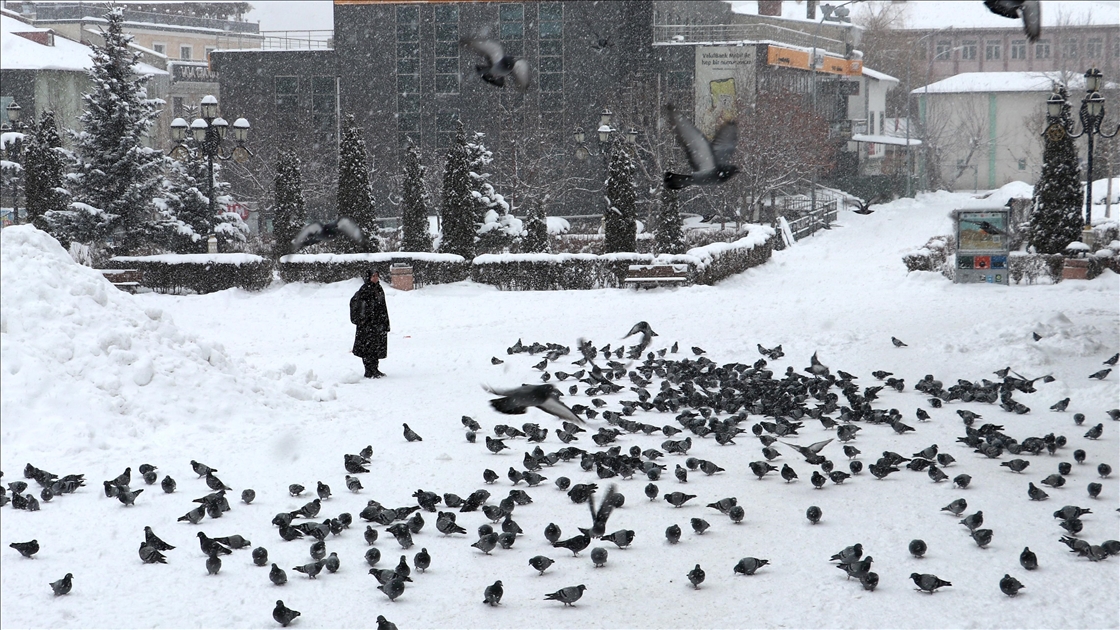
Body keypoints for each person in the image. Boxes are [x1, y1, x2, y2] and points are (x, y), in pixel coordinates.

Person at [350, 267, 390, 378]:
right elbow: (358, 305)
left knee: (376, 347)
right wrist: (363, 319)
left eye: (377, 276)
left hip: (378, 324)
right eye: (373, 276)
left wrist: (385, 322)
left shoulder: (379, 289)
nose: (375, 278)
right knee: (368, 348)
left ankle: (375, 369)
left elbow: (383, 307)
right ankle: (369, 370)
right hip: (367, 325)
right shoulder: (365, 290)